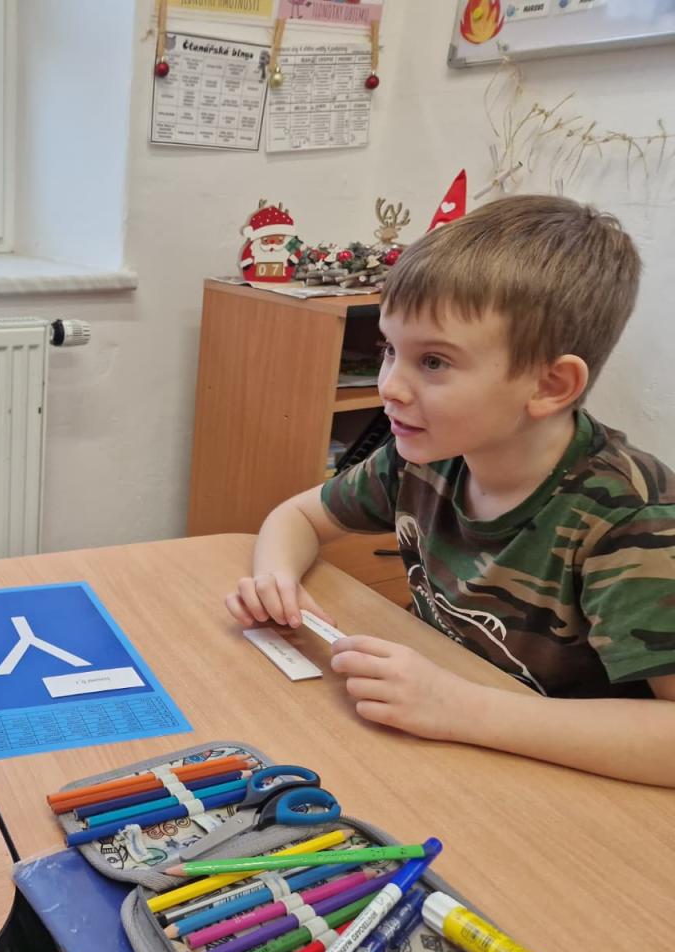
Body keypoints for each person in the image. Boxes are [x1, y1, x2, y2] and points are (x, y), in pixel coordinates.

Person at [226, 195, 675, 787]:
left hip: (560, 791)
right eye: (390, 350)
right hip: (444, 757)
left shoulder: (632, 520)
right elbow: (300, 518)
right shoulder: (427, 456)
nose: (390, 386)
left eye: (433, 362)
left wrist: (460, 708)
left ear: (550, 385)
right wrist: (276, 579)